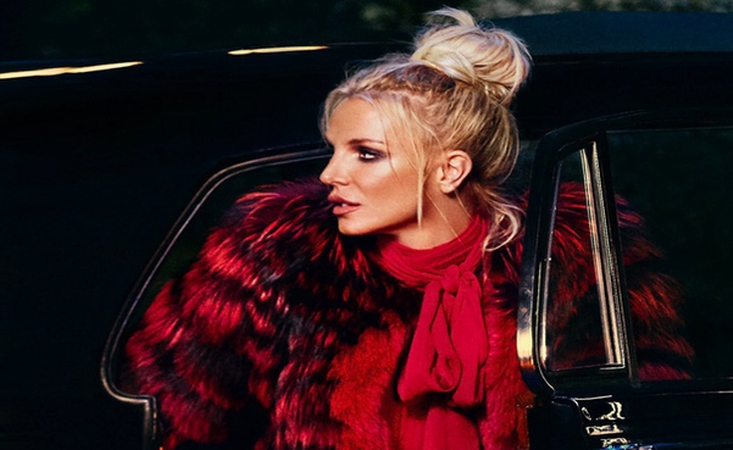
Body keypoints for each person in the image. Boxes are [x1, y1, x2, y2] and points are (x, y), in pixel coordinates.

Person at [123, 8, 693, 450]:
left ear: (449, 170)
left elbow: (643, 412)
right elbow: (171, 413)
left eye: (365, 154)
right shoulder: (272, 259)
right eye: (334, 150)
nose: (329, 174)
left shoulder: (571, 259)